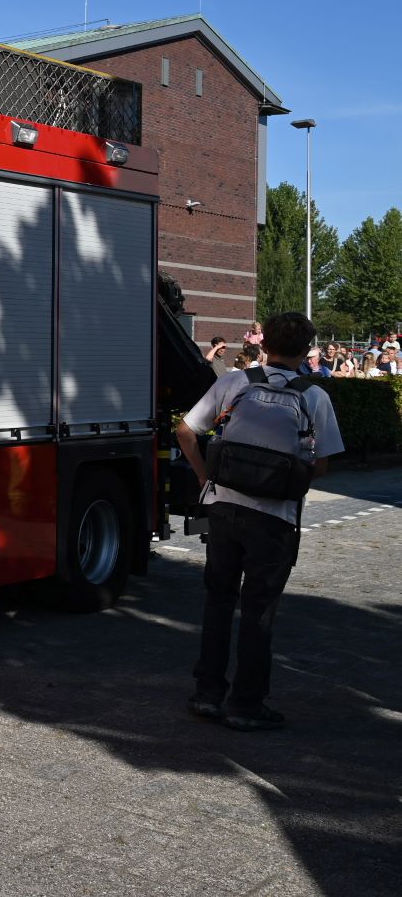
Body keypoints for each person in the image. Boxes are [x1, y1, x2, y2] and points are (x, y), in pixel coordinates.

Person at [175, 312, 343, 731]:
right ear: (307, 351)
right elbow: (320, 465)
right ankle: (246, 704)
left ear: (263, 343)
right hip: (274, 518)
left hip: (224, 509)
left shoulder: (235, 383)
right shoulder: (314, 397)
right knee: (259, 611)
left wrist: (203, 477)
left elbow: (184, 431)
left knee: (218, 602)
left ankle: (207, 693)